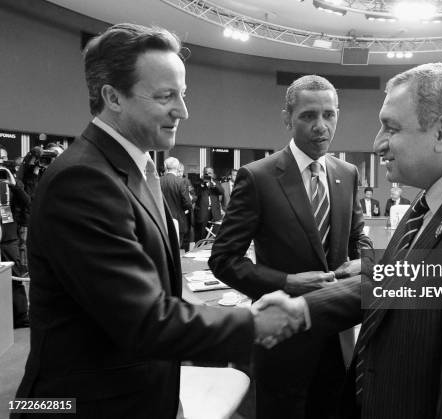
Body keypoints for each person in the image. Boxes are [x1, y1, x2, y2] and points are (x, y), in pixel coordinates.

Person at [14, 23, 295, 419]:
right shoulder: (84, 179)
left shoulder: (136, 169)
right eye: (166, 96)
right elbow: (145, 320)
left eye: (182, 94)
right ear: (113, 97)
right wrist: (254, 323)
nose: (183, 110)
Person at [257, 63, 442, 419]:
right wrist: (304, 309)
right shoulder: (435, 196)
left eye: (391, 127)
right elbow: (397, 283)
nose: (377, 143)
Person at [209, 74, 373, 419]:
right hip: (283, 337)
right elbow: (224, 259)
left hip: (337, 333)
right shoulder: (258, 176)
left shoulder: (347, 173)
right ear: (287, 118)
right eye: (308, 116)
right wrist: (287, 282)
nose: (321, 126)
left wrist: (364, 261)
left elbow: (359, 236)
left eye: (329, 115)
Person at [0, 146, 30, 328]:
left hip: (8, 238)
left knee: (16, 277)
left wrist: (13, 184)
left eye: (2, 159)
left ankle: (20, 317)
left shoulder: (11, 181)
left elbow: (27, 203)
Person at [160, 156, 191, 249]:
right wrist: (184, 210)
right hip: (178, 219)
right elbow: (188, 203)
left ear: (165, 166)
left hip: (162, 219)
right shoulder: (181, 182)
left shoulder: (158, 180)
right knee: (176, 249)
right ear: (177, 167)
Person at [193, 166, 224, 241]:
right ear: (203, 174)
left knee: (214, 235)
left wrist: (213, 184)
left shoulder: (216, 183)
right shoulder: (198, 182)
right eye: (206, 173)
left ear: (213, 174)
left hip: (214, 213)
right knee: (201, 234)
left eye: (209, 173)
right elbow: (196, 193)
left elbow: (221, 191)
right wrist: (203, 185)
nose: (208, 174)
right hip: (202, 212)